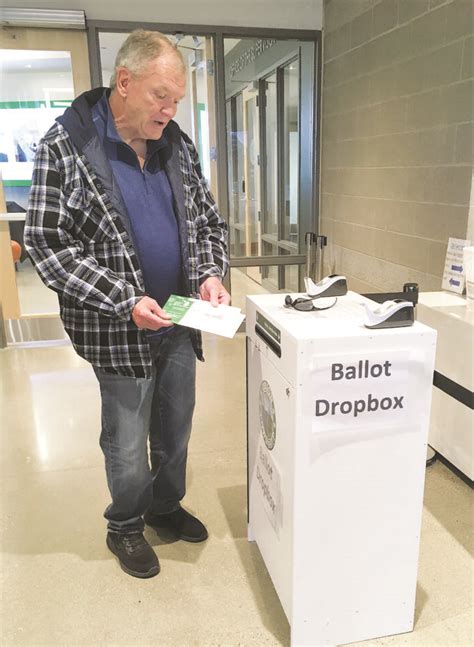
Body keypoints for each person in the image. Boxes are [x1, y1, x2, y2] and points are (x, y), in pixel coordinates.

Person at [24, 30, 230, 579]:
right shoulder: (65, 146)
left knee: (176, 427)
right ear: (125, 82)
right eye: (161, 96)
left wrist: (209, 273)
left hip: (180, 320)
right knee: (126, 440)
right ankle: (126, 525)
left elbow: (207, 222)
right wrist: (124, 299)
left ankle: (165, 507)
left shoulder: (177, 146)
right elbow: (47, 243)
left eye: (177, 99)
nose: (170, 108)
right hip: (116, 330)